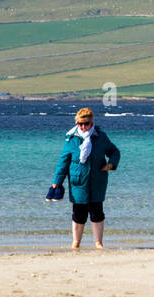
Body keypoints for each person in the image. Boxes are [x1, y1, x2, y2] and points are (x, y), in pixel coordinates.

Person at [49, 107, 120, 249]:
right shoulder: (71, 139)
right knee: (78, 214)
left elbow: (114, 151)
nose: (83, 127)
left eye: (86, 124)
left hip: (97, 181)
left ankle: (98, 243)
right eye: (80, 124)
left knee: (97, 213)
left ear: (92, 122)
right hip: (78, 181)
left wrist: (111, 164)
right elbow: (63, 162)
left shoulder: (101, 137)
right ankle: (76, 242)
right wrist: (57, 182)